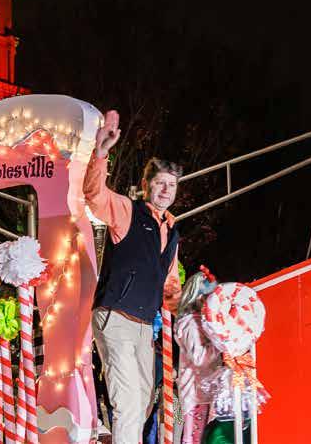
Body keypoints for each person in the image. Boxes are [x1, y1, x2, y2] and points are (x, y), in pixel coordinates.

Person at [84, 112, 183, 444]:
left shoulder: (172, 231)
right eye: (160, 183)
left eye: (172, 185)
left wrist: (196, 307)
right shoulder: (129, 211)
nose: (166, 190)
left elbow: (171, 286)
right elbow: (95, 196)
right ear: (146, 185)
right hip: (115, 317)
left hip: (143, 327)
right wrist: (101, 154)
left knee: (142, 403)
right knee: (127, 403)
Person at [175, 267, 220, 444]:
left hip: (204, 391)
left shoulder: (200, 322)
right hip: (196, 394)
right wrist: (219, 344)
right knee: (194, 438)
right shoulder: (191, 324)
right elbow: (199, 357)